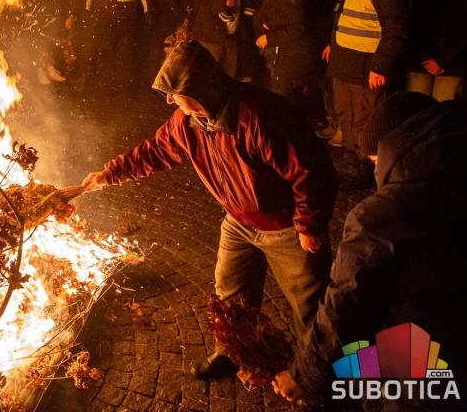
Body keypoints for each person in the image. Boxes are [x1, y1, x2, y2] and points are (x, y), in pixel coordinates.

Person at [82, 41, 337, 379]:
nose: (170, 101)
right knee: (230, 293)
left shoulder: (259, 116)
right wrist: (109, 174)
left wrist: (310, 225)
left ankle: (316, 374)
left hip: (285, 226)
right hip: (238, 221)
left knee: (310, 306)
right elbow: (156, 151)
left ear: (199, 89)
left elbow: (310, 170)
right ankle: (235, 352)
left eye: (175, 93)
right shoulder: (186, 123)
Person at [274, 92, 467, 409]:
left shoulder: (385, 213)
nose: (374, 170)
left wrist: (304, 373)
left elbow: (348, 303)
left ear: (393, 147)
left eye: (374, 159)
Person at [326, 0, 410, 171]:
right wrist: (333, 44)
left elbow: (396, 26)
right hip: (346, 61)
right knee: (346, 115)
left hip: (366, 66)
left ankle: (365, 166)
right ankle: (352, 161)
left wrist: (381, 66)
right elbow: (345, 12)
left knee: (365, 120)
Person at [255, 0, 321, 110]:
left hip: (293, 58)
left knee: (285, 101)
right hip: (279, 57)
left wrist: (269, 38)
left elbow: (298, 28)